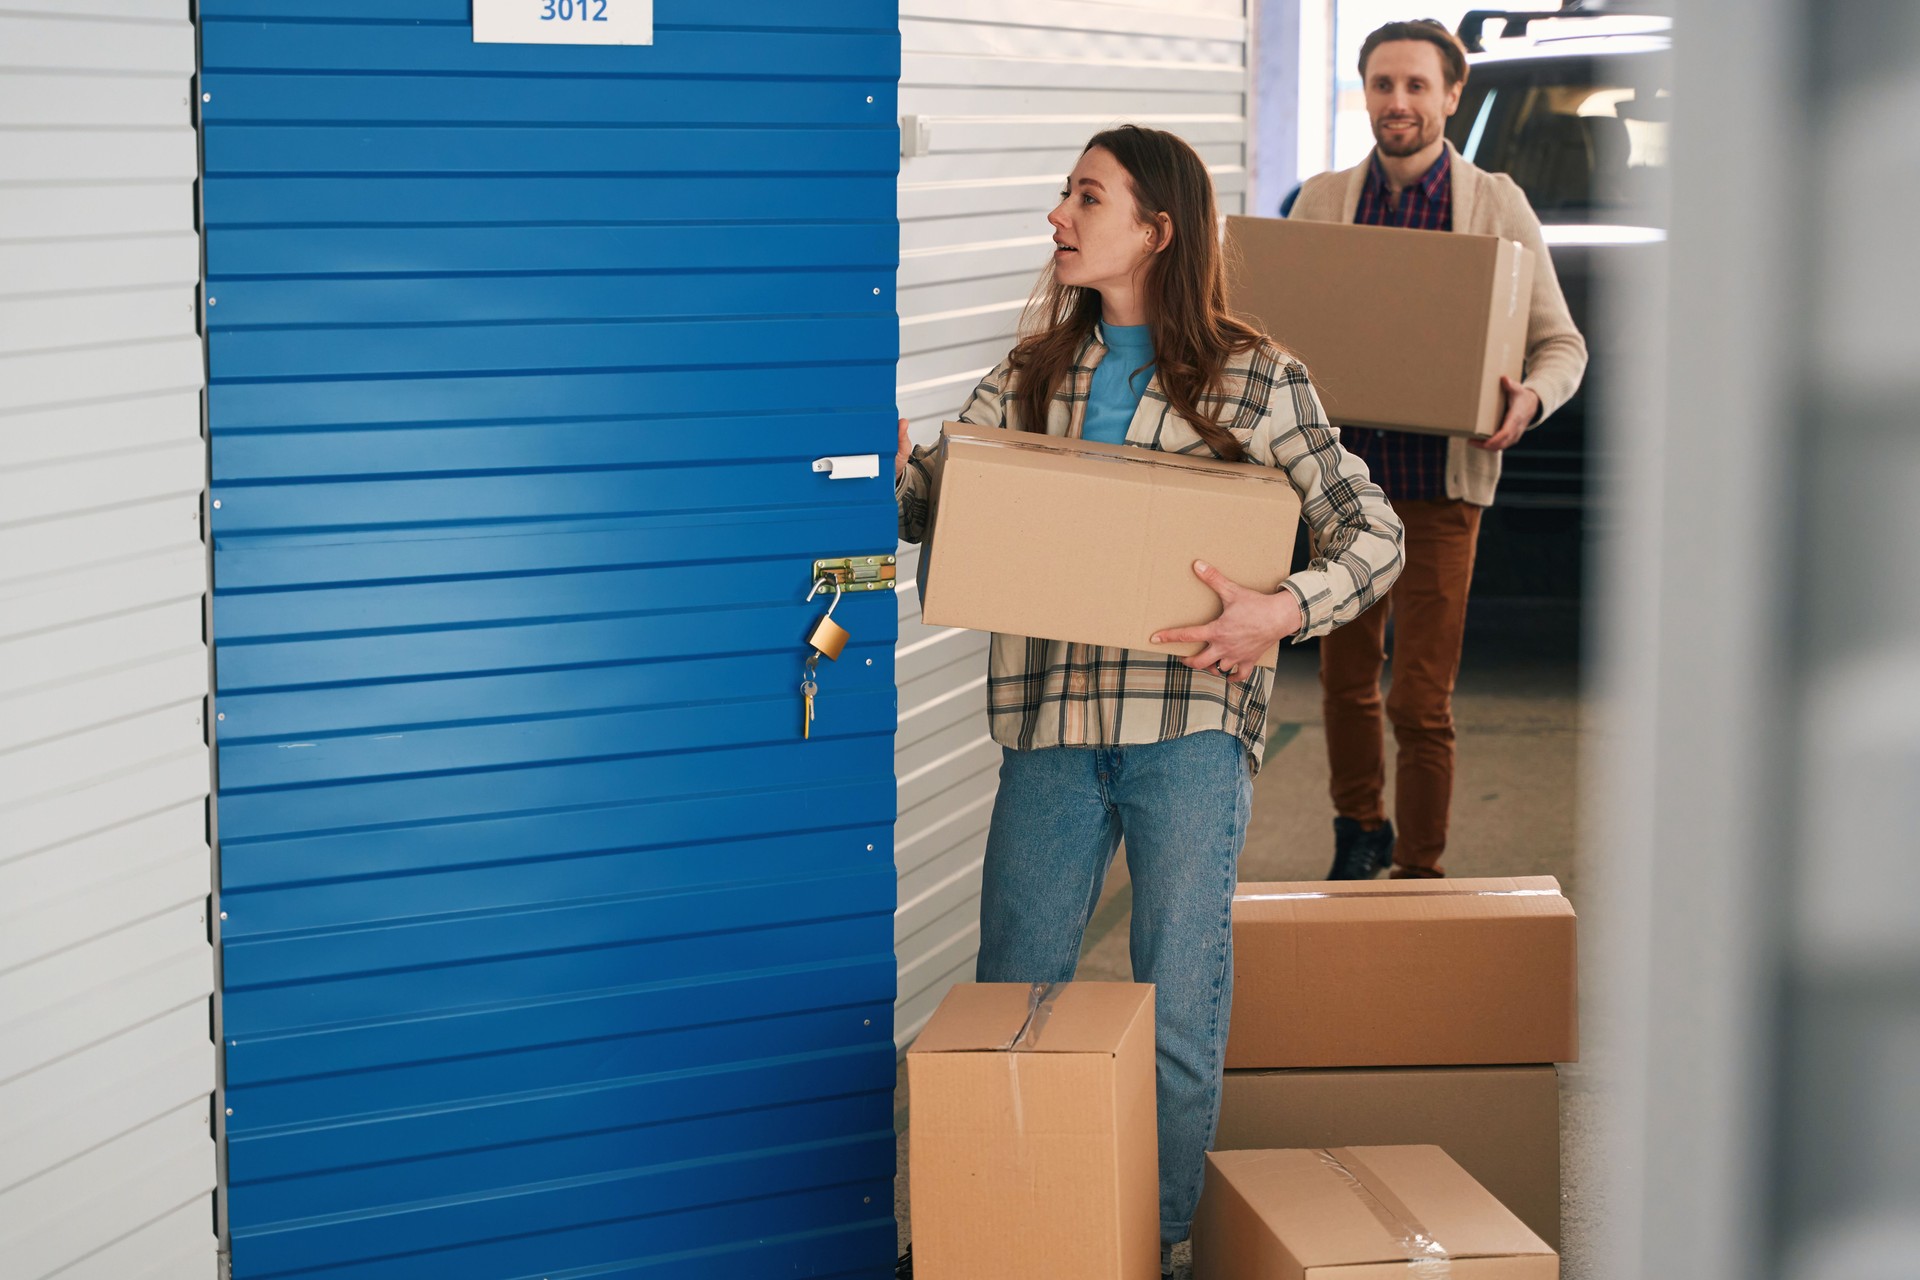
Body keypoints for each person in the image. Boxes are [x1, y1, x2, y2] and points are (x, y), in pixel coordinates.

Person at [892, 125, 1403, 1277]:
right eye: (1066, 195)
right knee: (1013, 997)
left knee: (1177, 1011)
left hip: (1187, 735)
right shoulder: (1031, 373)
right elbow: (940, 503)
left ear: (1156, 228)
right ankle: (1011, 1230)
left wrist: (1282, 609)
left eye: (1086, 196)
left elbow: (1375, 534)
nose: (1059, 217)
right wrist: (893, 465)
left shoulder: (1259, 377)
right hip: (1052, 735)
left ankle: (1159, 1241)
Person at [1291, 19, 1588, 880]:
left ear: (1452, 97)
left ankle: (1420, 868)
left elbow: (1560, 344)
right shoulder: (1322, 203)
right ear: (1366, 93)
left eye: (1418, 86)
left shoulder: (1497, 207)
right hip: (1343, 495)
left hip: (1441, 492)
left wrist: (1530, 399)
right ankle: (1360, 830)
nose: (1399, 103)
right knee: (1344, 686)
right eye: (1384, 85)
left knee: (1419, 700)